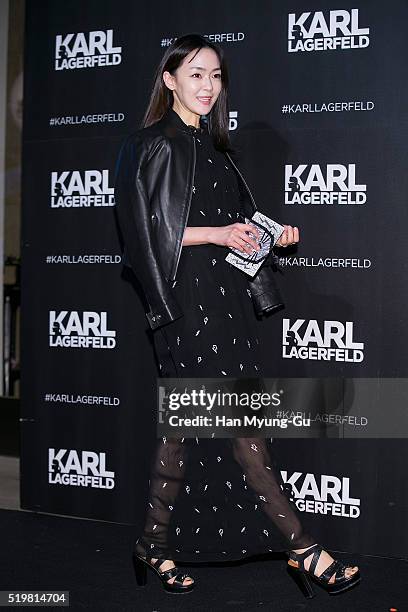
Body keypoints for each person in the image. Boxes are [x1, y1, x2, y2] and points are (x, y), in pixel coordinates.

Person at [114, 33, 361, 598]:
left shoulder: (219, 151)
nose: (207, 86)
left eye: (216, 76)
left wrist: (273, 237)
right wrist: (214, 233)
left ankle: (151, 544)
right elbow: (138, 235)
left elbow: (238, 229)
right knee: (244, 427)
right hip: (184, 305)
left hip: (226, 302)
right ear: (169, 79)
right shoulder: (150, 144)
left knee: (181, 429)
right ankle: (304, 548)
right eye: (195, 74)